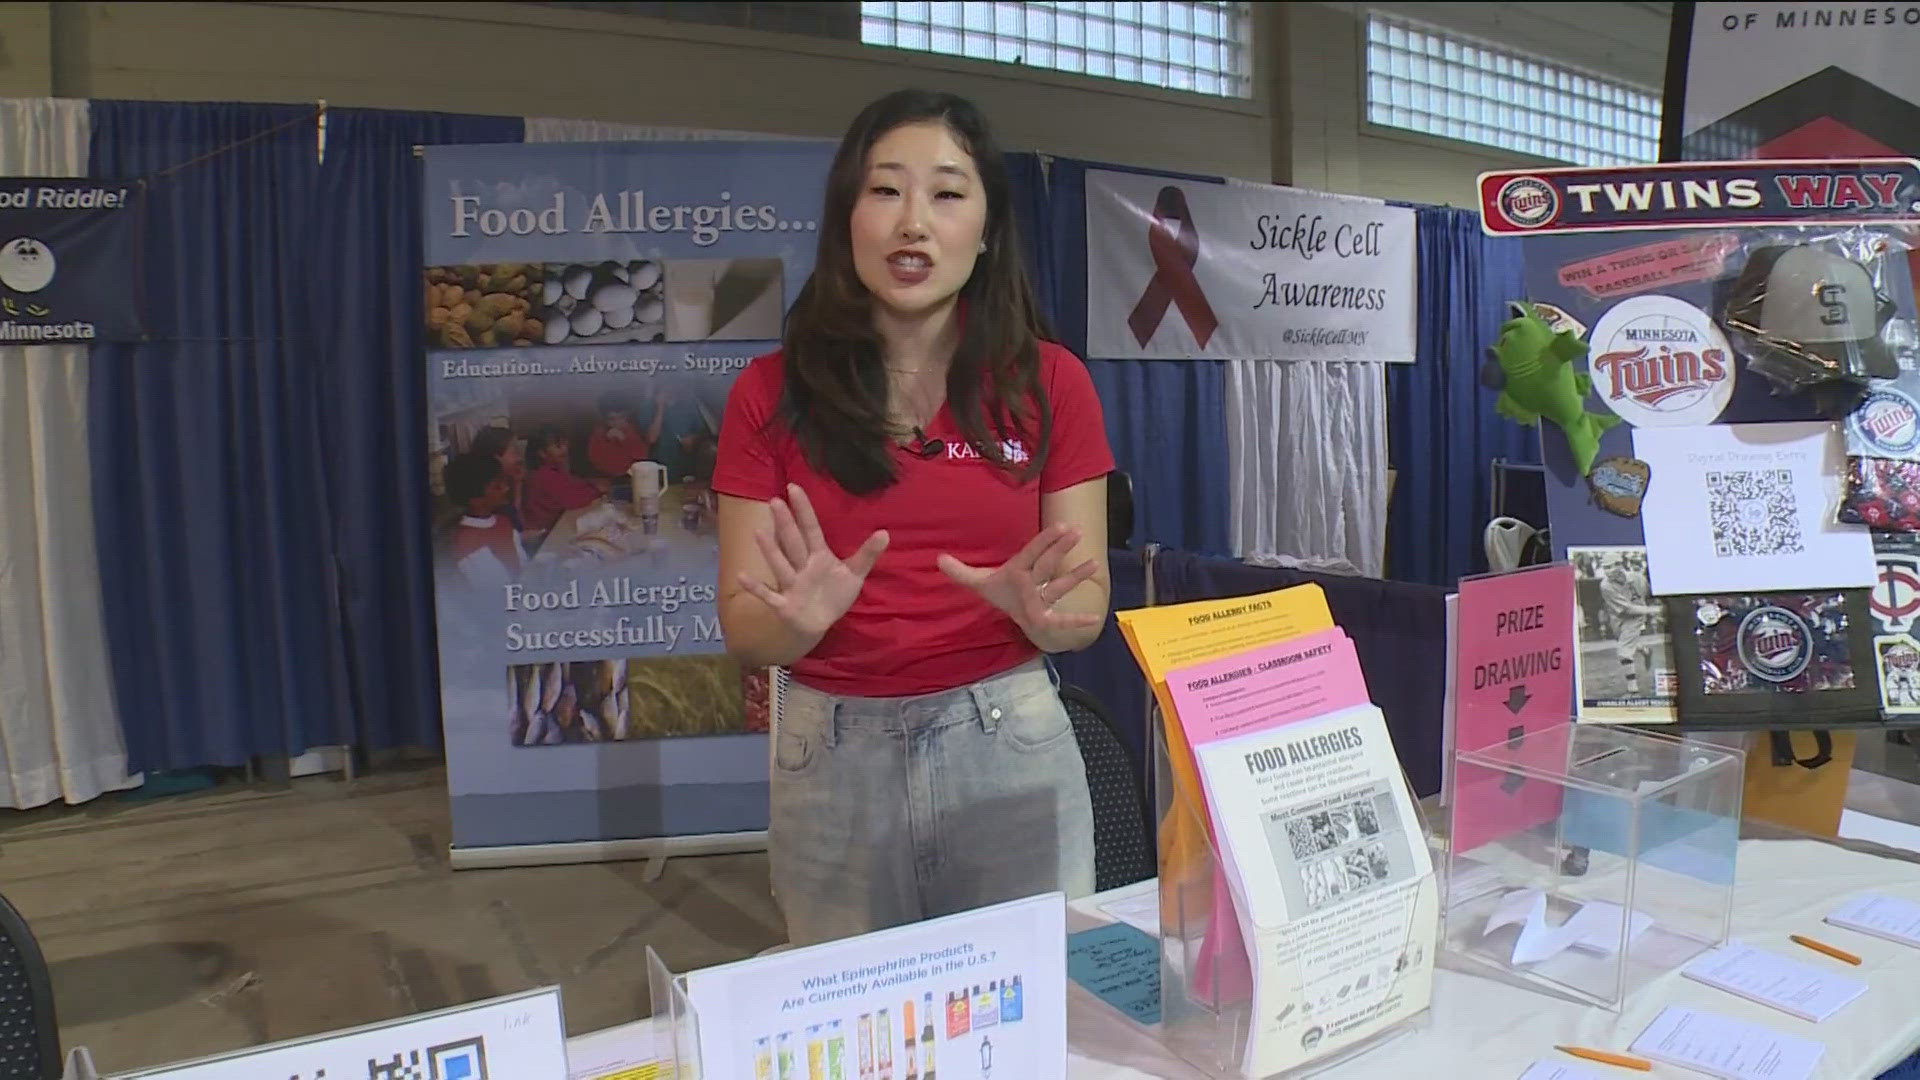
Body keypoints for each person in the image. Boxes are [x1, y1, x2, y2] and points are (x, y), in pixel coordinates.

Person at [712, 88, 1114, 946]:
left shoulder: (1052, 384)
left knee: (1039, 1012)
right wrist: (794, 626)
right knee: (854, 1033)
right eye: (885, 190)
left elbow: (1087, 610)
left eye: (947, 193)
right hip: (829, 751)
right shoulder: (765, 394)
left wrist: (1048, 615)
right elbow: (747, 632)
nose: (913, 224)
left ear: (989, 227)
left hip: (1008, 739)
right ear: (846, 217)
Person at [443, 451, 521, 590]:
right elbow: (497, 591)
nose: (506, 488)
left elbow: (523, 567)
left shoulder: (503, 522)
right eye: (497, 486)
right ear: (475, 499)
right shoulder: (467, 542)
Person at [523, 425, 606, 534]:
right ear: (542, 453)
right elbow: (572, 500)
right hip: (544, 531)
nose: (565, 449)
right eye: (558, 446)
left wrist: (590, 483)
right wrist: (596, 491)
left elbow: (570, 483)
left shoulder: (553, 468)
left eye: (565, 444)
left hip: (556, 521)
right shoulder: (544, 475)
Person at [587, 392, 665, 479]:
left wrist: (625, 440)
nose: (617, 423)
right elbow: (595, 461)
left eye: (621, 417)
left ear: (627, 416)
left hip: (632, 477)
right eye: (612, 419)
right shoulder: (599, 433)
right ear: (604, 418)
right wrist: (606, 441)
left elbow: (642, 456)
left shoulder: (632, 430)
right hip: (607, 478)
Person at [467, 425, 527, 531]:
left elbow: (517, 525)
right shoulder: (488, 497)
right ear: (495, 459)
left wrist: (518, 484)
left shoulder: (505, 484)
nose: (520, 458)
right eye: (515, 452)